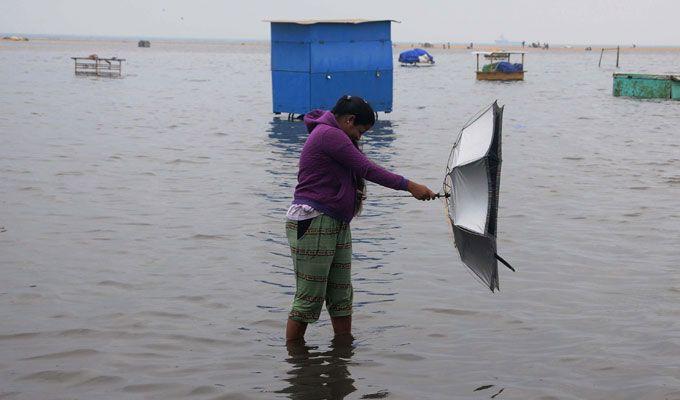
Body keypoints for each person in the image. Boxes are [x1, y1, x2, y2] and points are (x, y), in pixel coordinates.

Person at [285, 95, 436, 342]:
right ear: (349, 120)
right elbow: (366, 169)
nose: (360, 137)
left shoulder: (335, 133)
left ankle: (343, 353)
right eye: (360, 130)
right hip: (313, 221)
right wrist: (409, 186)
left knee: (341, 295)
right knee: (309, 297)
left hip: (335, 221)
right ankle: (295, 364)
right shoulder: (329, 134)